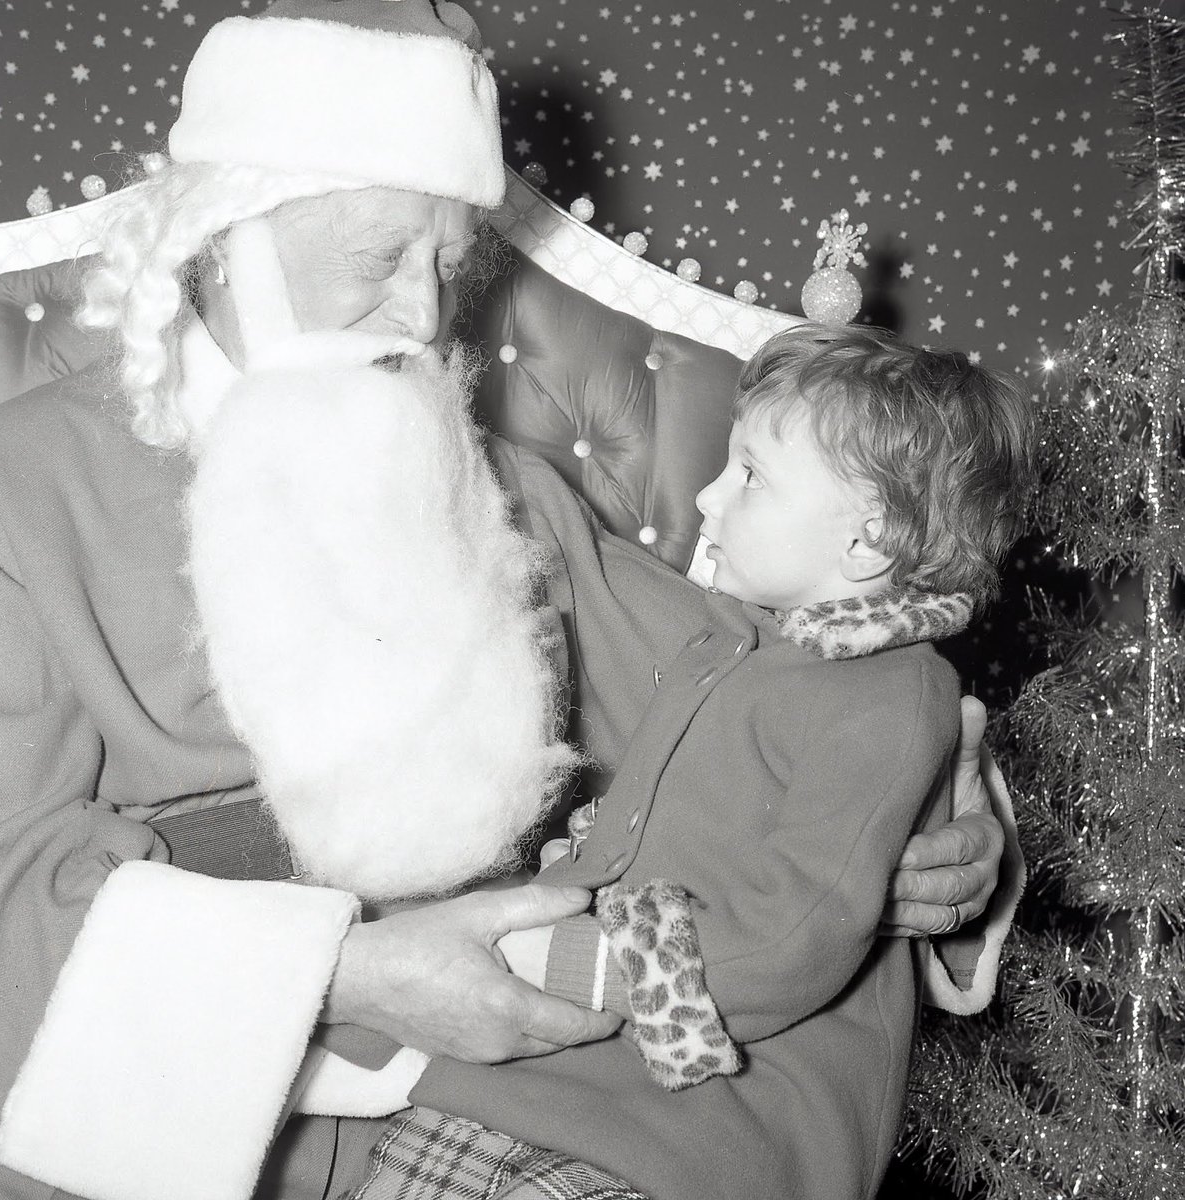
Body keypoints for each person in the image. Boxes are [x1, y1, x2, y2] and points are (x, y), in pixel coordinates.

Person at [0, 3, 1013, 1199]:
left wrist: (935, 823)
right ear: (225, 235)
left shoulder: (500, 488)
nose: (426, 318)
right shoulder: (22, 494)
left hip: (522, 1096)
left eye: (447, 262)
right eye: (378, 259)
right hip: (175, 1128)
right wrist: (340, 975)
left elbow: (759, 681)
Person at [341, 325, 1035, 1200]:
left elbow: (789, 941)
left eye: (749, 476)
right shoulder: (735, 647)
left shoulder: (895, 696)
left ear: (868, 541)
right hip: (556, 1077)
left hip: (715, 1128)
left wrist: (561, 956)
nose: (708, 499)